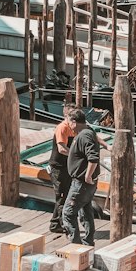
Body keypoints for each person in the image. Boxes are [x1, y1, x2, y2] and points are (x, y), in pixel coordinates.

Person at [62, 109, 101, 247]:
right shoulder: (88, 131)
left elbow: (93, 157)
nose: (67, 125)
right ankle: (88, 241)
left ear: (74, 121)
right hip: (84, 183)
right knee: (85, 211)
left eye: (68, 122)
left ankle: (75, 245)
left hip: (81, 183)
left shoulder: (84, 136)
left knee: (68, 213)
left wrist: (88, 175)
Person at [48, 104, 77, 233]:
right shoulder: (62, 128)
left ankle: (55, 224)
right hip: (58, 167)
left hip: (67, 166)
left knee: (65, 196)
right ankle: (63, 225)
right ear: (66, 116)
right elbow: (61, 149)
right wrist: (76, 155)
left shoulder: (74, 128)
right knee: (61, 197)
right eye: (72, 116)